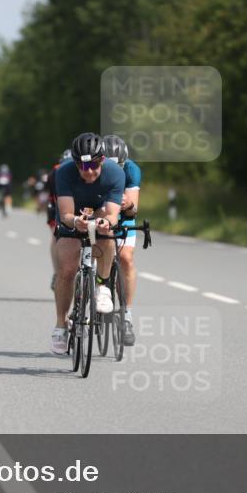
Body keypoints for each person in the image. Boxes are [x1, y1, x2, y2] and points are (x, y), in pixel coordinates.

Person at [50, 133, 125, 354]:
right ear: (74, 163)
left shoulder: (115, 173)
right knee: (66, 270)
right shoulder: (63, 173)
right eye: (83, 166)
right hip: (73, 215)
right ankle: (61, 325)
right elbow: (65, 213)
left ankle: (102, 287)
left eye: (93, 164)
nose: (89, 171)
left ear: (102, 160)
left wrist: (104, 222)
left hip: (101, 211)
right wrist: (75, 221)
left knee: (107, 236)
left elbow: (112, 214)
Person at [103, 135, 141, 346]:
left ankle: (126, 314)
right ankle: (84, 300)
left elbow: (134, 208)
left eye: (118, 166)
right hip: (99, 213)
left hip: (123, 219)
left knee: (126, 258)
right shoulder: (92, 168)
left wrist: (126, 204)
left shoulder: (132, 170)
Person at [46, 149, 73, 290]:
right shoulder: (57, 172)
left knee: (56, 237)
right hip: (59, 203)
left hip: (57, 203)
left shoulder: (55, 170)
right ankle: (58, 272)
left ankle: (57, 272)